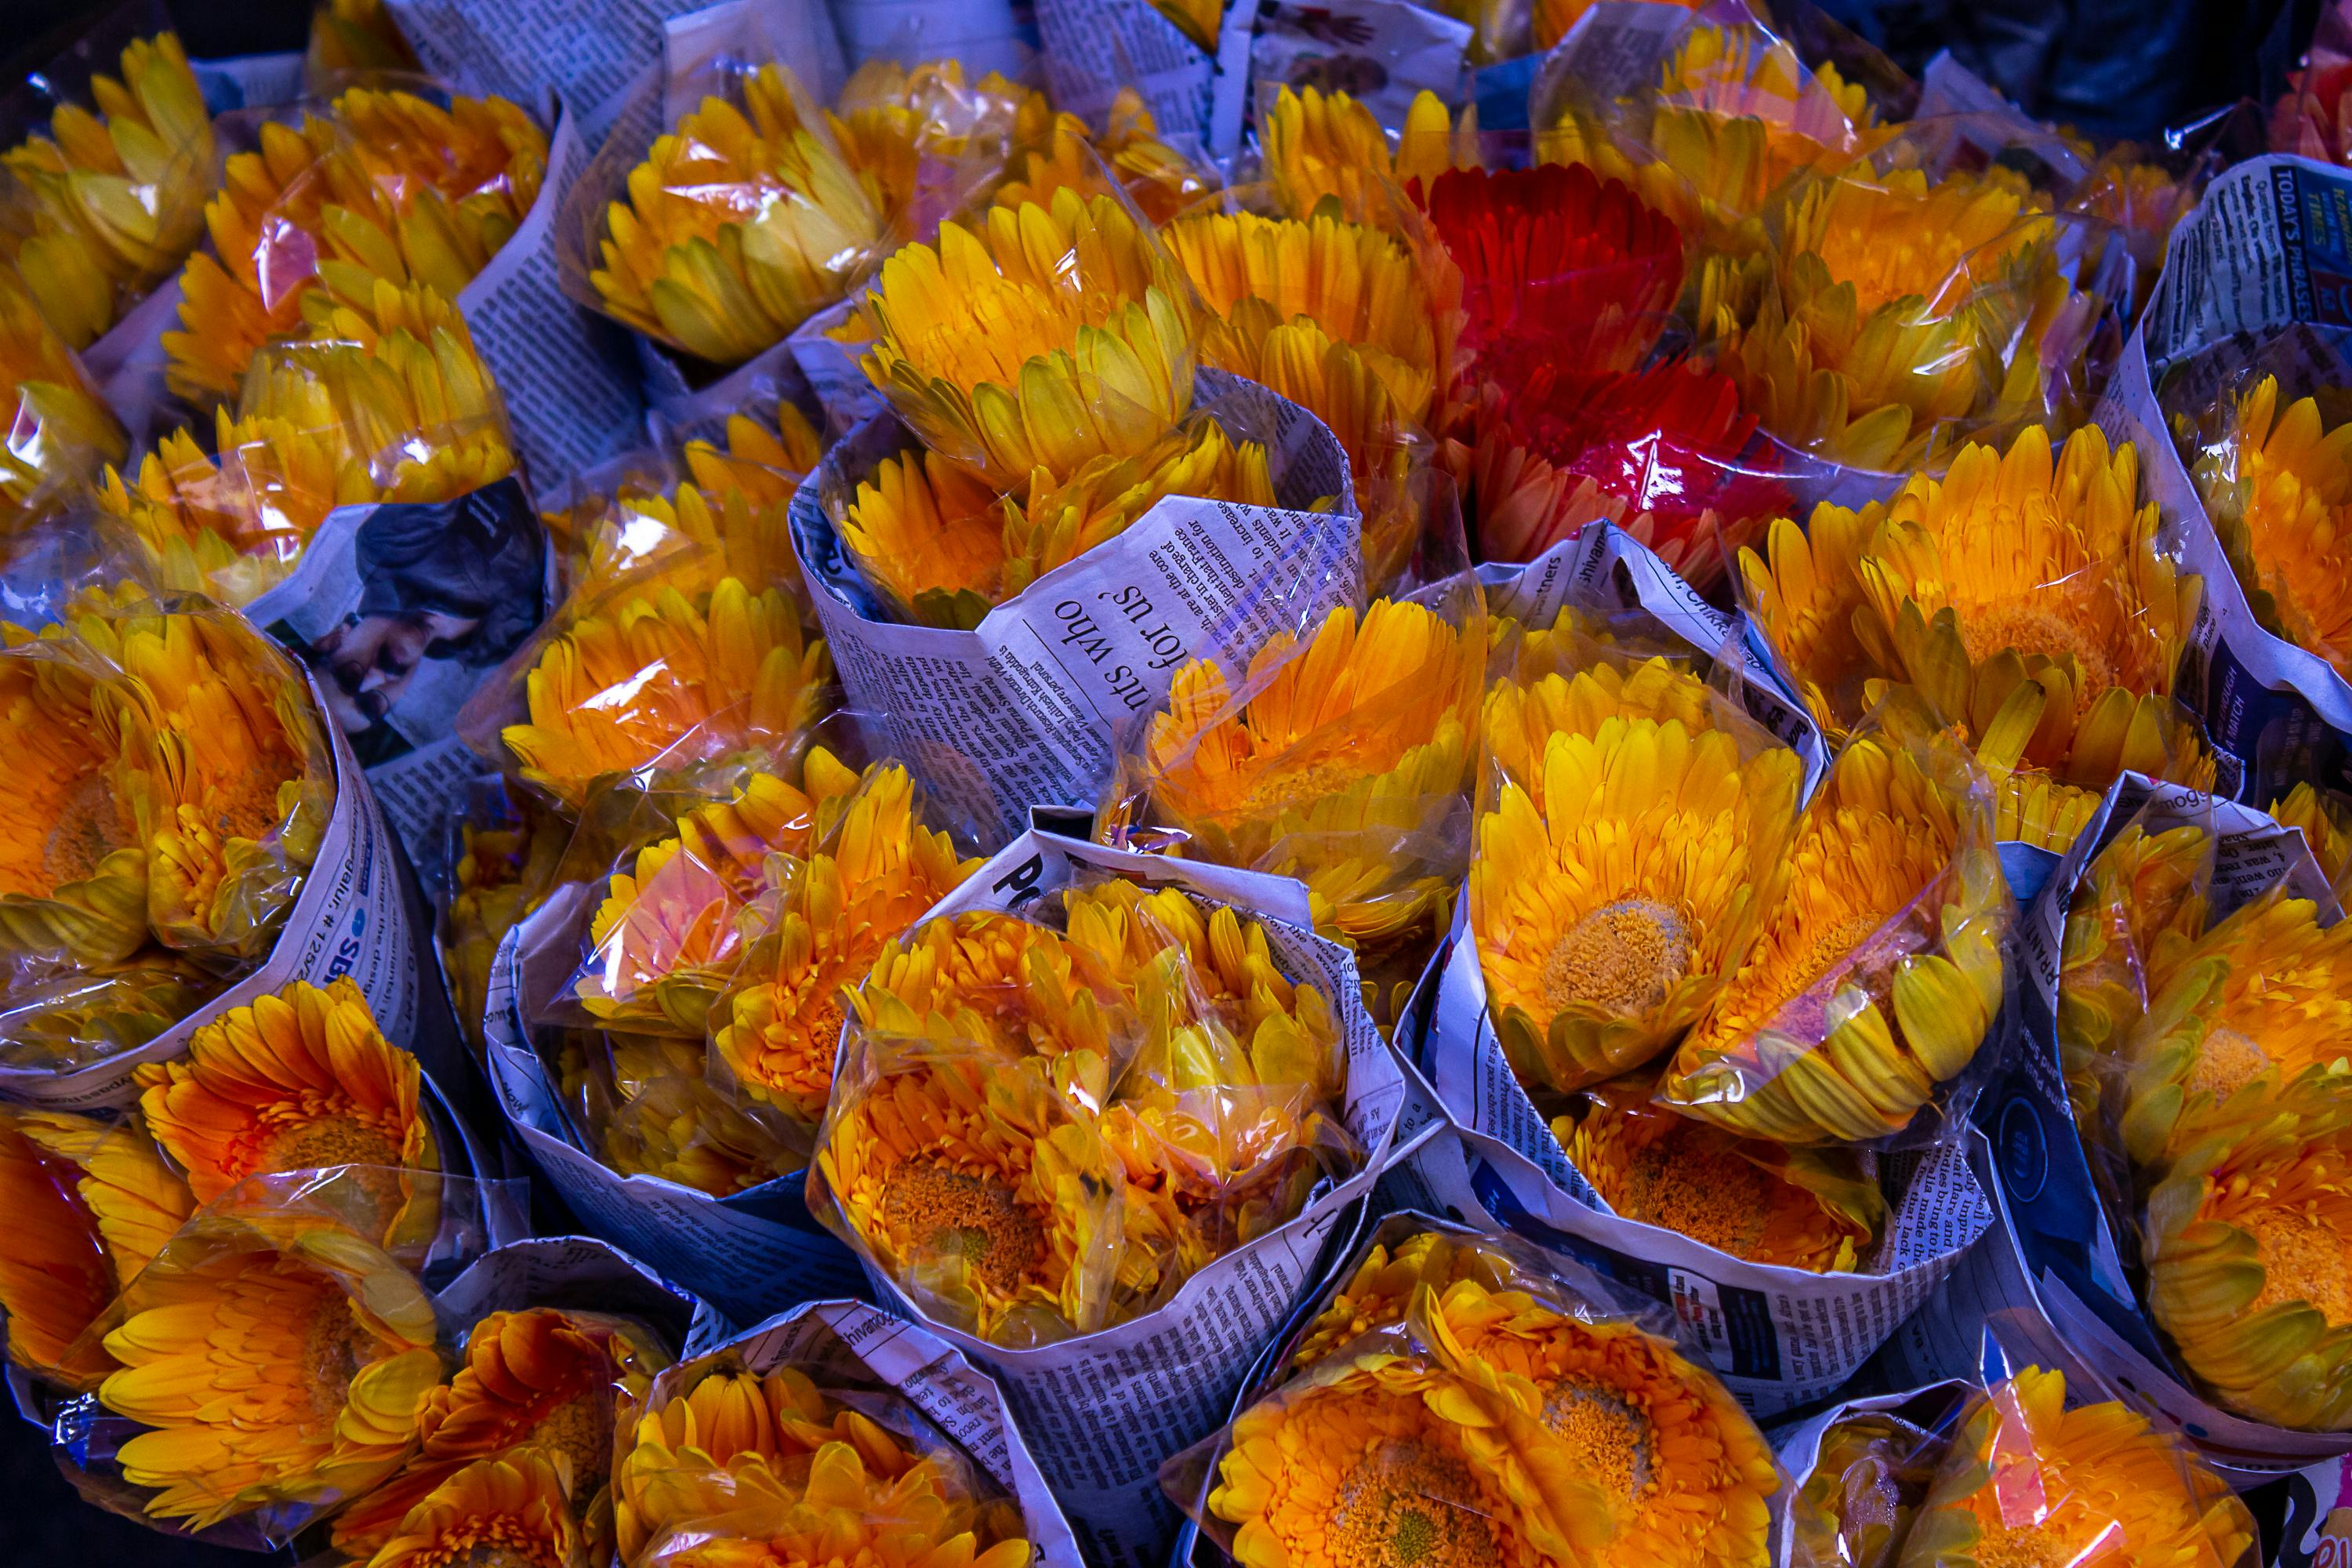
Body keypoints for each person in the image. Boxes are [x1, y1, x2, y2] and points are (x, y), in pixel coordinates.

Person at [303, 485, 544, 762]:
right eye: (371, 705)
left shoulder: (382, 544)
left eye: (350, 677)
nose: (379, 678)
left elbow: (457, 474)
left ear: (334, 640)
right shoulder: (488, 649)